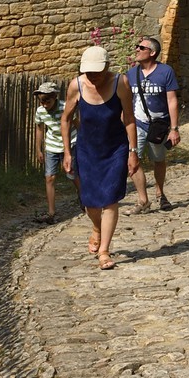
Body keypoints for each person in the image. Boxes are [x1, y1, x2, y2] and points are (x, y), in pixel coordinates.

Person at [60, 44, 138, 270]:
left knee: (110, 199)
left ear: (107, 67)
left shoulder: (120, 83)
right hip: (87, 149)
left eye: (97, 72)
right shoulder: (77, 85)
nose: (92, 76)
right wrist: (67, 151)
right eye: (89, 72)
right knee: (89, 200)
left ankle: (104, 250)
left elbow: (130, 119)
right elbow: (66, 119)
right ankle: (96, 226)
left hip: (115, 149)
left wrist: (133, 152)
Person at [127, 35, 180, 212]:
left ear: (153, 52)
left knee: (158, 160)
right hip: (137, 124)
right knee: (133, 161)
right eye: (137, 47)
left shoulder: (165, 72)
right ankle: (143, 200)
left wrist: (174, 129)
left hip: (159, 125)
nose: (137, 49)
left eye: (141, 48)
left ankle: (160, 193)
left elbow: (172, 101)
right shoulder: (131, 74)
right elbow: (126, 101)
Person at [32, 80, 76, 224]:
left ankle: (85, 201)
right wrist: (38, 149)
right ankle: (51, 212)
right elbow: (39, 129)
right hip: (52, 146)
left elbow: (78, 125)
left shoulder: (65, 107)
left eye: (47, 101)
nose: (44, 104)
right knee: (49, 177)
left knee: (72, 175)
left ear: (55, 97)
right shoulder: (40, 111)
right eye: (41, 101)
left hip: (70, 144)